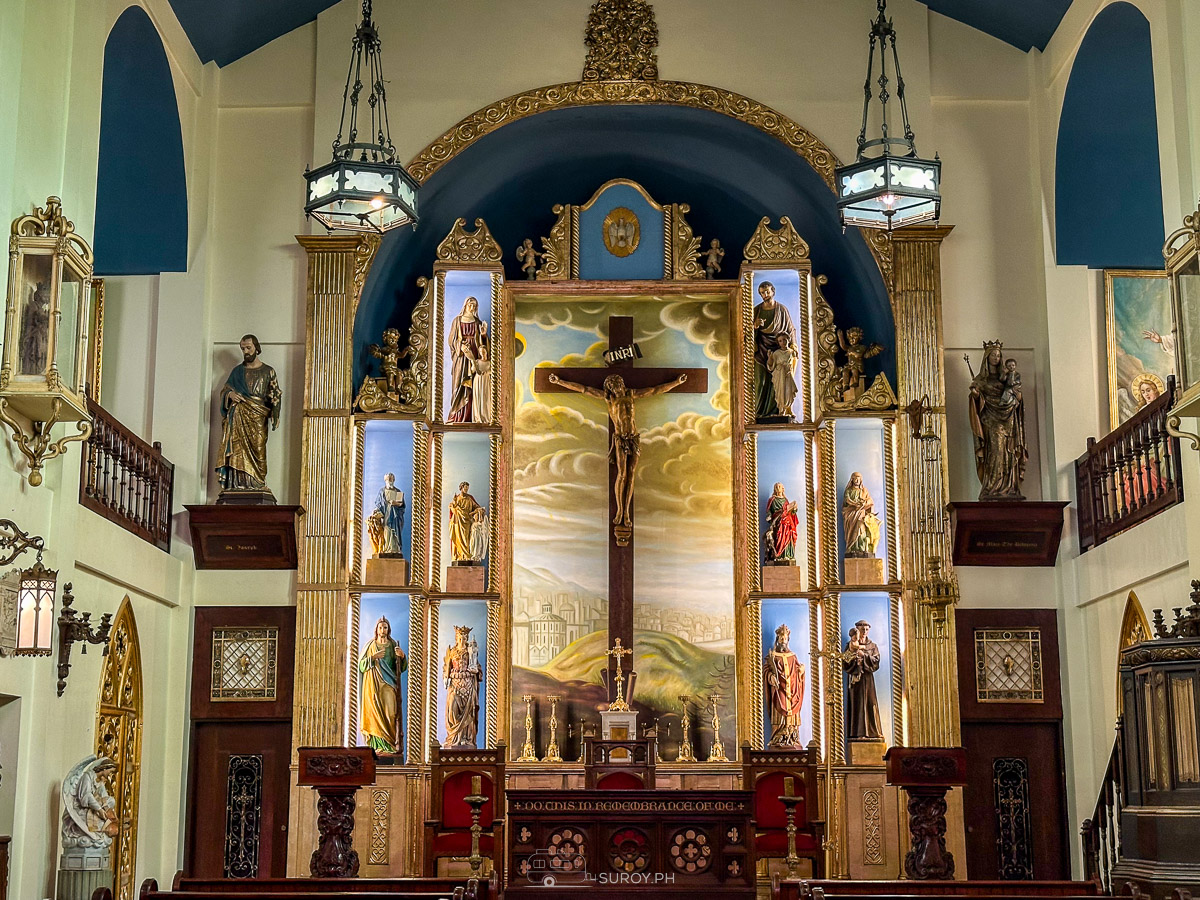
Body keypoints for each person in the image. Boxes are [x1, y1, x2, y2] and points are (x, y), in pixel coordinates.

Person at [548, 370, 687, 527]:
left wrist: (677, 382)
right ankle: (620, 510)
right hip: (620, 439)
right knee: (622, 474)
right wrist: (559, 382)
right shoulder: (609, 398)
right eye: (612, 386)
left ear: (621, 383)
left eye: (617, 384)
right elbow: (584, 389)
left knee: (631, 474)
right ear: (609, 388)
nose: (616, 387)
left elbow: (655, 390)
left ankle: (626, 511)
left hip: (634, 439)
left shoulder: (632, 394)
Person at [216, 334, 282, 497]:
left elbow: (275, 393)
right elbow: (225, 390)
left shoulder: (268, 371)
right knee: (237, 449)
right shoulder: (237, 371)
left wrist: (275, 411)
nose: (245, 351)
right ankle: (237, 484)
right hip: (238, 415)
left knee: (259, 448)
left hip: (258, 416)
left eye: (248, 348)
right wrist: (230, 395)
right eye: (243, 349)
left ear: (256, 348)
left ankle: (258, 483)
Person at [968, 341, 1027, 500]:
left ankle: (1010, 487)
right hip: (990, 419)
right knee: (995, 450)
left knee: (1008, 450)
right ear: (987, 357)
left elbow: (1018, 397)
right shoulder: (981, 379)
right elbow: (976, 400)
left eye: (998, 355)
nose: (996, 357)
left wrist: (1017, 395)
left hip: (1008, 417)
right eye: (993, 354)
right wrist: (975, 395)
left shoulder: (1006, 376)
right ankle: (992, 487)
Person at [358, 617, 406, 755]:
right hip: (373, 686)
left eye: (385, 627)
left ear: (388, 629)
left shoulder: (392, 645)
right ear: (376, 629)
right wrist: (373, 657)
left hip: (389, 684)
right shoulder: (370, 646)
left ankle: (390, 744)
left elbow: (401, 668)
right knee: (374, 715)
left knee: (391, 713)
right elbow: (361, 666)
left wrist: (402, 656)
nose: (382, 630)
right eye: (380, 627)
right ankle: (377, 747)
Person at [753, 281, 797, 420]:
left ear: (773, 291)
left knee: (778, 383)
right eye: (762, 293)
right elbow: (745, 333)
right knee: (760, 381)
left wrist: (793, 345)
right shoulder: (756, 310)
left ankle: (779, 410)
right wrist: (755, 326)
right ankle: (758, 412)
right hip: (761, 351)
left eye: (767, 291)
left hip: (779, 351)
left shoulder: (781, 309)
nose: (765, 295)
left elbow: (790, 329)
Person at [447, 297, 488, 424]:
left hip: (473, 355)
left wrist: (483, 335)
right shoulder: (457, 321)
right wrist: (461, 346)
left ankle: (471, 416)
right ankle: (456, 416)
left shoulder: (477, 322)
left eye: (474, 304)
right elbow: (451, 340)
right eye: (470, 304)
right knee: (459, 384)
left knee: (473, 386)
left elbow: (484, 345)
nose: (472, 306)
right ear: (465, 305)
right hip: (461, 357)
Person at [763, 624, 805, 748]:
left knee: (792, 713)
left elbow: (798, 669)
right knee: (779, 711)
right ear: (777, 639)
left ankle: (792, 737)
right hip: (778, 689)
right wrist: (771, 677)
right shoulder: (773, 656)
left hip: (792, 689)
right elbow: (766, 670)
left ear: (788, 640)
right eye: (781, 638)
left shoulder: (792, 656)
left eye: (785, 638)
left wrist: (801, 670)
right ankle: (778, 737)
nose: (783, 640)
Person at [842, 620, 883, 740]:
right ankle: (858, 733)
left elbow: (876, 661)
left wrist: (863, 656)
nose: (864, 631)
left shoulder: (872, 646)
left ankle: (873, 732)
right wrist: (854, 658)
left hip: (868, 678)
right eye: (862, 629)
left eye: (866, 629)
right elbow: (845, 662)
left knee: (871, 703)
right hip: (856, 679)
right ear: (857, 630)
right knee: (857, 705)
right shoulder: (850, 645)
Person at [444, 625, 483, 747]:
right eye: (460, 637)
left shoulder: (471, 651)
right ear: (456, 638)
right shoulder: (451, 651)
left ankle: (466, 739)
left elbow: (477, 668)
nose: (462, 640)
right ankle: (454, 737)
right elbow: (446, 667)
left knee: (468, 712)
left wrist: (476, 671)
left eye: (464, 637)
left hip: (468, 684)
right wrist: (446, 677)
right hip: (455, 685)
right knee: (453, 708)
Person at [836, 326, 883, 403]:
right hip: (850, 365)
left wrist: (852, 353)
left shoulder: (862, 347)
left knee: (855, 370)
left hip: (857, 366)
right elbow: (843, 346)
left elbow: (859, 355)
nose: (852, 340)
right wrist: (840, 337)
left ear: (859, 338)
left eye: (854, 337)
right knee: (845, 371)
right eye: (850, 338)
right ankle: (846, 385)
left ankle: (855, 382)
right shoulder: (849, 348)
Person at [842, 472, 881, 559]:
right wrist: (855, 504)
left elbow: (870, 501)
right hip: (851, 515)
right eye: (855, 478)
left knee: (861, 529)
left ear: (861, 480)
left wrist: (863, 503)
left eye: (858, 478)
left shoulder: (864, 491)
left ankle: (862, 548)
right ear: (852, 480)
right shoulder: (848, 491)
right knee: (852, 531)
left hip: (861, 515)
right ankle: (852, 547)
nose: (856, 480)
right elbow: (847, 500)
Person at [367, 327, 410, 397]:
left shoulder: (395, 351)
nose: (393, 340)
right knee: (391, 372)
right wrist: (393, 348)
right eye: (391, 338)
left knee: (399, 372)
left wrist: (405, 351)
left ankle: (398, 387)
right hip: (386, 367)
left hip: (394, 367)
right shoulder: (385, 349)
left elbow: (401, 355)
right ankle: (390, 386)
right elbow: (387, 352)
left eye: (395, 339)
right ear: (385, 339)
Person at [764, 481, 799, 564]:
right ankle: (779, 555)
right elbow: (769, 511)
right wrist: (769, 517)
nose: (778, 488)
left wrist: (794, 509)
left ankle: (788, 555)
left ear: (783, 489)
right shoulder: (772, 500)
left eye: (779, 486)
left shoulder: (785, 500)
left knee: (789, 536)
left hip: (787, 522)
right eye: (776, 486)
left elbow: (790, 512)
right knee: (779, 537)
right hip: (778, 522)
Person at [449, 482, 484, 563]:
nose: (466, 490)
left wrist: (479, 510)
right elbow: (453, 510)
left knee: (466, 539)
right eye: (465, 488)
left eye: (467, 488)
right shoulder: (457, 499)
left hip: (467, 522)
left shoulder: (470, 498)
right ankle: (460, 556)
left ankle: (467, 555)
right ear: (461, 488)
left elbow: (476, 507)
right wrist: (453, 506)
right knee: (459, 539)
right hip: (459, 522)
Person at [372, 473, 406, 556]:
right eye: (388, 479)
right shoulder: (382, 491)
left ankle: (395, 549)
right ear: (385, 480)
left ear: (393, 480)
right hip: (386, 516)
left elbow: (402, 505)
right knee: (387, 531)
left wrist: (396, 504)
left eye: (391, 479)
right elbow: (378, 504)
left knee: (395, 533)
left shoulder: (397, 491)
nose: (389, 481)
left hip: (395, 517)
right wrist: (377, 511)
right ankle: (386, 549)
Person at [767, 332, 799, 418]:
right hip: (779, 374)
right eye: (780, 341)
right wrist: (770, 357)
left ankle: (789, 409)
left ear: (788, 340)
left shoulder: (791, 352)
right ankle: (782, 410)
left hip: (788, 374)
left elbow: (795, 364)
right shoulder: (776, 353)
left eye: (784, 340)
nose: (783, 342)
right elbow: (770, 366)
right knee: (780, 392)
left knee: (789, 392)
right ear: (778, 342)